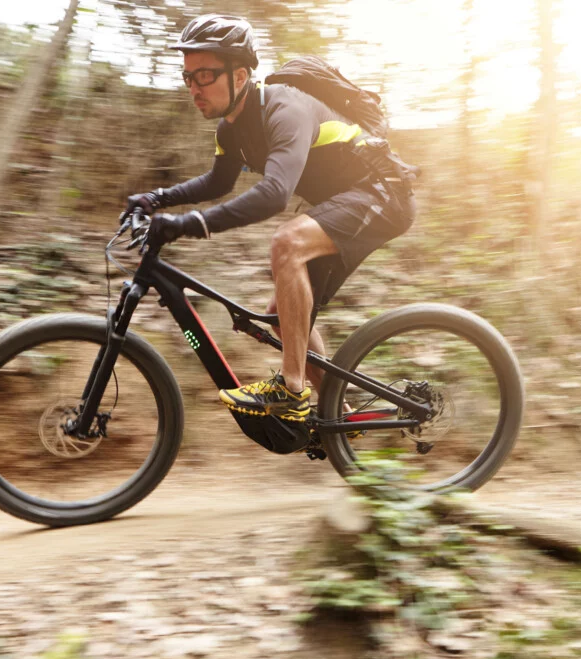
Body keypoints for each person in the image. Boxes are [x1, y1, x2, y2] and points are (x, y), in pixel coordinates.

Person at [123, 14, 416, 423]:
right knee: (284, 315)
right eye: (188, 77)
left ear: (239, 74)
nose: (194, 88)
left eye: (204, 76)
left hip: (383, 194)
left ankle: (290, 390)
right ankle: (341, 418)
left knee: (288, 241)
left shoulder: (284, 107)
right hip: (345, 204)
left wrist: (190, 224)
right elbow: (217, 182)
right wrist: (156, 198)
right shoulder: (231, 130)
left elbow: (275, 193)